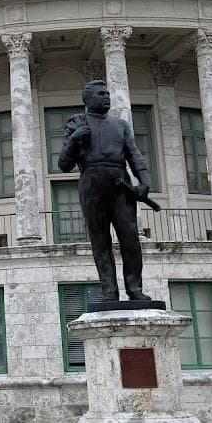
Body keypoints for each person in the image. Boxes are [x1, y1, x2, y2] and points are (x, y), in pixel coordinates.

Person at [58, 80, 152, 302]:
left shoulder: (120, 126)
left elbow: (134, 155)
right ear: (88, 99)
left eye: (108, 94)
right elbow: (63, 164)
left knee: (130, 239)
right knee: (100, 241)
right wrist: (73, 141)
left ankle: (134, 288)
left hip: (120, 183)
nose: (107, 97)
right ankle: (109, 290)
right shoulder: (77, 125)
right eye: (101, 94)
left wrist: (145, 180)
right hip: (92, 183)